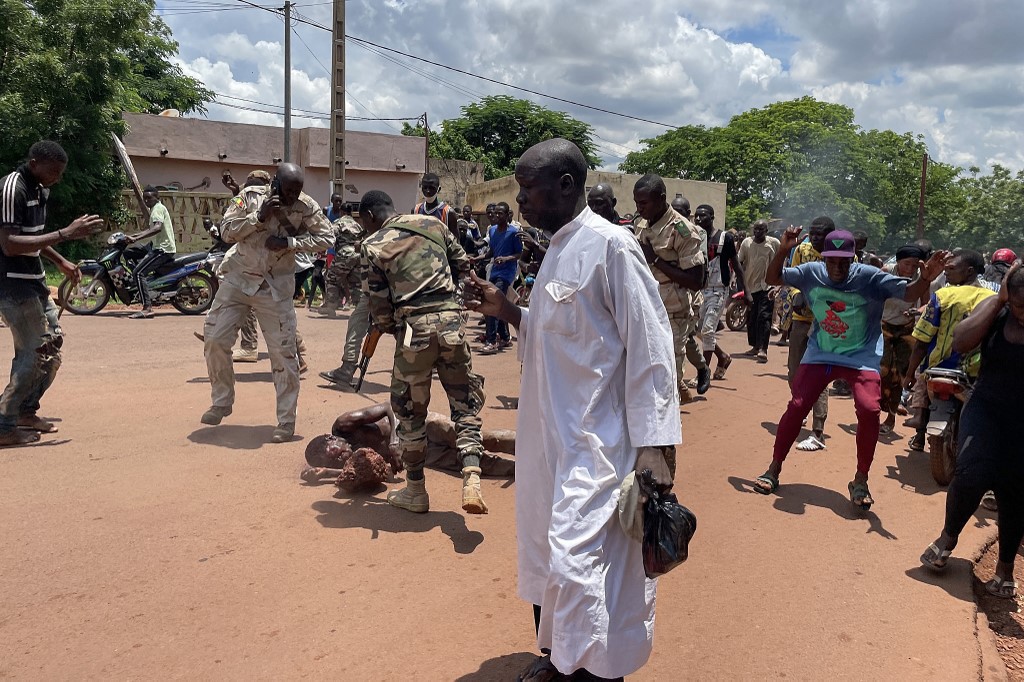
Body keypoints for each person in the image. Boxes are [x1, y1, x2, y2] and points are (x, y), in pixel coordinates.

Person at [466, 139, 681, 681]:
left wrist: (656, 449)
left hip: (599, 445)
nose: (519, 200)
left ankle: (601, 672)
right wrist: (508, 310)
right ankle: (559, 661)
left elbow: (653, 353)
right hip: (545, 442)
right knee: (543, 557)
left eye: (527, 188)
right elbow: (558, 338)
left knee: (583, 565)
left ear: (566, 185)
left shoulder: (613, 247)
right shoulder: (557, 248)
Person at [752, 228, 946, 508]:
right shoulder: (810, 272)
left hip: (861, 356)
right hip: (821, 353)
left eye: (845, 261)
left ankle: (860, 479)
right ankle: (774, 467)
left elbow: (909, 292)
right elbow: (772, 278)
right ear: (824, 257)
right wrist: (783, 250)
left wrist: (925, 279)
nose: (838, 267)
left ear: (854, 258)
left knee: (869, 410)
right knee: (797, 406)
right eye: (833, 261)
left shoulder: (870, 277)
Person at [359, 189, 488, 515]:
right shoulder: (433, 224)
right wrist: (447, 302)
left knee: (410, 412)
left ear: (371, 217)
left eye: (364, 223)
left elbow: (380, 308)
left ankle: (415, 491)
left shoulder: (372, 245)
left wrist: (396, 324)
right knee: (464, 406)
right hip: (451, 325)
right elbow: (462, 263)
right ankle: (472, 476)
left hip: (413, 333)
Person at [201, 163, 333, 443]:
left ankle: (286, 421)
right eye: (288, 190)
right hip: (238, 278)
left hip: (274, 286)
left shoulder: (305, 206)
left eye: (297, 190)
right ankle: (222, 401)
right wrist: (258, 218)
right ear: (275, 184)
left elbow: (327, 238)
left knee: (284, 355)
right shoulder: (248, 197)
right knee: (214, 339)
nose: (293, 196)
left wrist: (289, 244)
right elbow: (226, 231)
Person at [920, 261, 1024, 598]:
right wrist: (998, 302)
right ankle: (948, 537)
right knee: (972, 473)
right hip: (986, 406)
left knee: (1015, 490)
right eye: (1019, 305)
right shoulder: (995, 311)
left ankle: (1005, 568)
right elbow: (960, 342)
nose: (1023, 313)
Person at [0, 140, 103, 445]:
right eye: (54, 171)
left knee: (51, 351)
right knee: (33, 354)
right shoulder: (12, 189)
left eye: (61, 172)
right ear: (34, 163)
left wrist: (61, 261)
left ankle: (25, 411)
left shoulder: (39, 190)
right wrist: (65, 234)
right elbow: (9, 243)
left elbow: (34, 238)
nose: (58, 177)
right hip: (13, 285)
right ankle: (3, 425)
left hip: (35, 281)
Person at [904, 249, 995, 451]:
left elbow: (921, 341)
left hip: (938, 367)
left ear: (969, 271)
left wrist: (909, 374)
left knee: (922, 376)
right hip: (974, 370)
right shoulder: (993, 299)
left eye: (952, 269)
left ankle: (919, 428)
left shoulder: (943, 295)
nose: (946, 273)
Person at [633, 174, 709, 405]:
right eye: (637, 202)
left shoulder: (682, 230)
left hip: (672, 313)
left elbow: (696, 280)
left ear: (661, 199)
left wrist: (655, 260)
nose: (639, 208)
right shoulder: (641, 224)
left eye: (644, 203)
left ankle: (668, 433)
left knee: (668, 374)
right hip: (646, 310)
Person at [300, 401, 516, 482]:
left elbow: (389, 406)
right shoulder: (349, 462)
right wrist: (327, 473)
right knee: (471, 463)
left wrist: (394, 442)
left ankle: (532, 444)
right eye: (335, 462)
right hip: (418, 451)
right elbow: (377, 475)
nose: (342, 458)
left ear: (331, 438)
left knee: (477, 439)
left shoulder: (344, 424)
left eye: (336, 453)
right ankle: (524, 469)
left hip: (417, 424)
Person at [784, 217, 836, 451]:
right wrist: (796, 292)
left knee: (819, 376)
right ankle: (800, 405)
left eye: (820, 234)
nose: (815, 238)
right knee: (794, 371)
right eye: (813, 233)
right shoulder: (802, 250)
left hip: (825, 323)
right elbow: (792, 276)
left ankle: (818, 430)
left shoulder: (842, 256)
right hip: (801, 319)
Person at [693, 204, 746, 379]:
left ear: (712, 217)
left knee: (707, 331)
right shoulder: (695, 237)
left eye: (703, 216)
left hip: (718, 290)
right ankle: (722, 357)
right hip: (700, 290)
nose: (699, 219)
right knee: (697, 330)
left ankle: (704, 372)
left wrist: (746, 291)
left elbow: (736, 265)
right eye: (697, 216)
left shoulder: (725, 238)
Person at [878, 245, 925, 434]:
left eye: (915, 265)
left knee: (900, 375)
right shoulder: (885, 273)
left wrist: (917, 311)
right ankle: (877, 407)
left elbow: (927, 303)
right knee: (882, 370)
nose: (911, 269)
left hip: (906, 330)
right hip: (884, 327)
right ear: (898, 262)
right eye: (907, 264)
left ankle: (890, 417)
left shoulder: (922, 279)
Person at [473, 201, 522, 354]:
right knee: (500, 304)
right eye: (496, 213)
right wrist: (477, 259)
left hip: (507, 273)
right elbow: (491, 253)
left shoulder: (513, 232)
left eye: (501, 213)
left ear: (507, 215)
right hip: (494, 271)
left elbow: (519, 254)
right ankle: (506, 338)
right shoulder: (493, 231)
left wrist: (506, 259)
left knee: (492, 300)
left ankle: (491, 340)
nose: (497, 216)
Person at [127, 186, 177, 319]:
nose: (147, 200)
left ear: (157, 197)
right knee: (132, 253)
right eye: (145, 198)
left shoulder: (157, 209)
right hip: (158, 246)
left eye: (150, 197)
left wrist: (136, 238)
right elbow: (149, 230)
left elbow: (157, 228)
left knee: (138, 272)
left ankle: (147, 308)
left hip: (163, 249)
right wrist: (132, 237)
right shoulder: (157, 209)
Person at [738, 219, 780, 363]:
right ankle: (755, 346)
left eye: (761, 230)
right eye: (755, 229)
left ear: (766, 231)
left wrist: (777, 284)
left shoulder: (774, 243)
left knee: (764, 317)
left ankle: (763, 349)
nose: (757, 232)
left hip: (768, 286)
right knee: (752, 317)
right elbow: (739, 262)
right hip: (751, 286)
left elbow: (780, 261)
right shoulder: (746, 243)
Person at [319, 202, 363, 317]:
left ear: (341, 212)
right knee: (355, 284)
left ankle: (331, 307)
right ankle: (361, 310)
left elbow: (330, 235)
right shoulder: (357, 225)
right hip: (358, 254)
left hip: (344, 253)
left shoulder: (339, 222)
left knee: (332, 278)